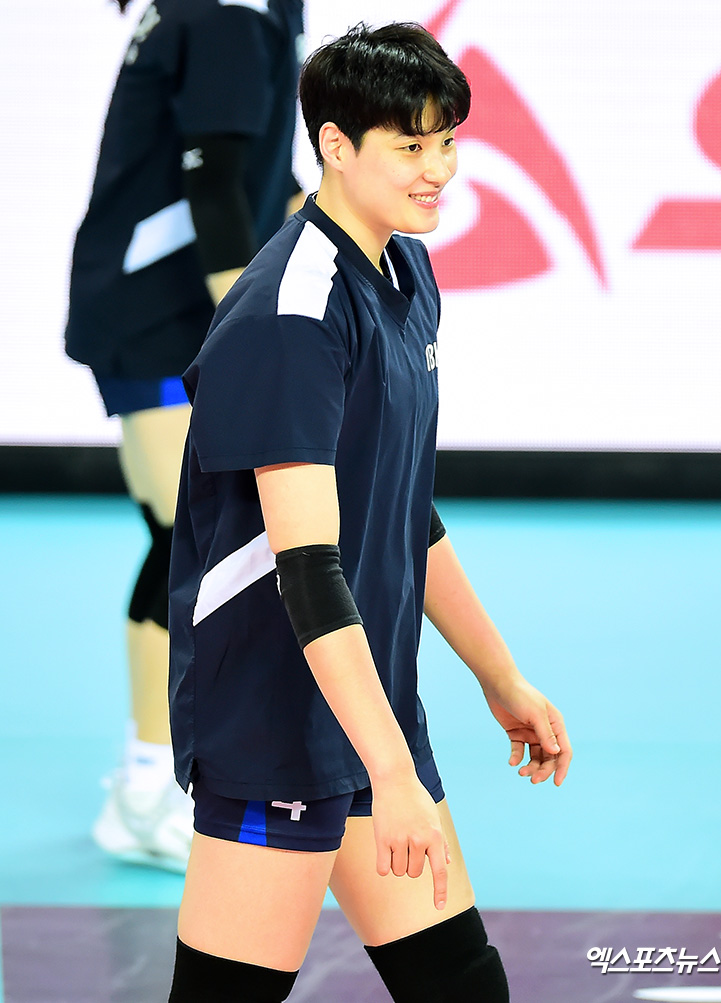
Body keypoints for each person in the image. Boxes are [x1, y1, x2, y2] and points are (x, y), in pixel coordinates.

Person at [167, 22, 572, 1002]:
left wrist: (499, 676)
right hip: (273, 718)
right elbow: (306, 569)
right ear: (336, 145)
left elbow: (402, 512)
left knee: (459, 985)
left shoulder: (403, 269)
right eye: (411, 145)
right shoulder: (291, 315)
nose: (439, 170)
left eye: (447, 142)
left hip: (366, 705)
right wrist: (391, 775)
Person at [63, 0, 305, 871]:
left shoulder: (262, 10)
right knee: (183, 544)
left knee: (184, 543)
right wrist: (252, 333)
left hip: (162, 307)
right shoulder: (227, 13)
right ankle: (145, 788)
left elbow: (263, 169)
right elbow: (213, 182)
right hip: (159, 315)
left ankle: (157, 779)